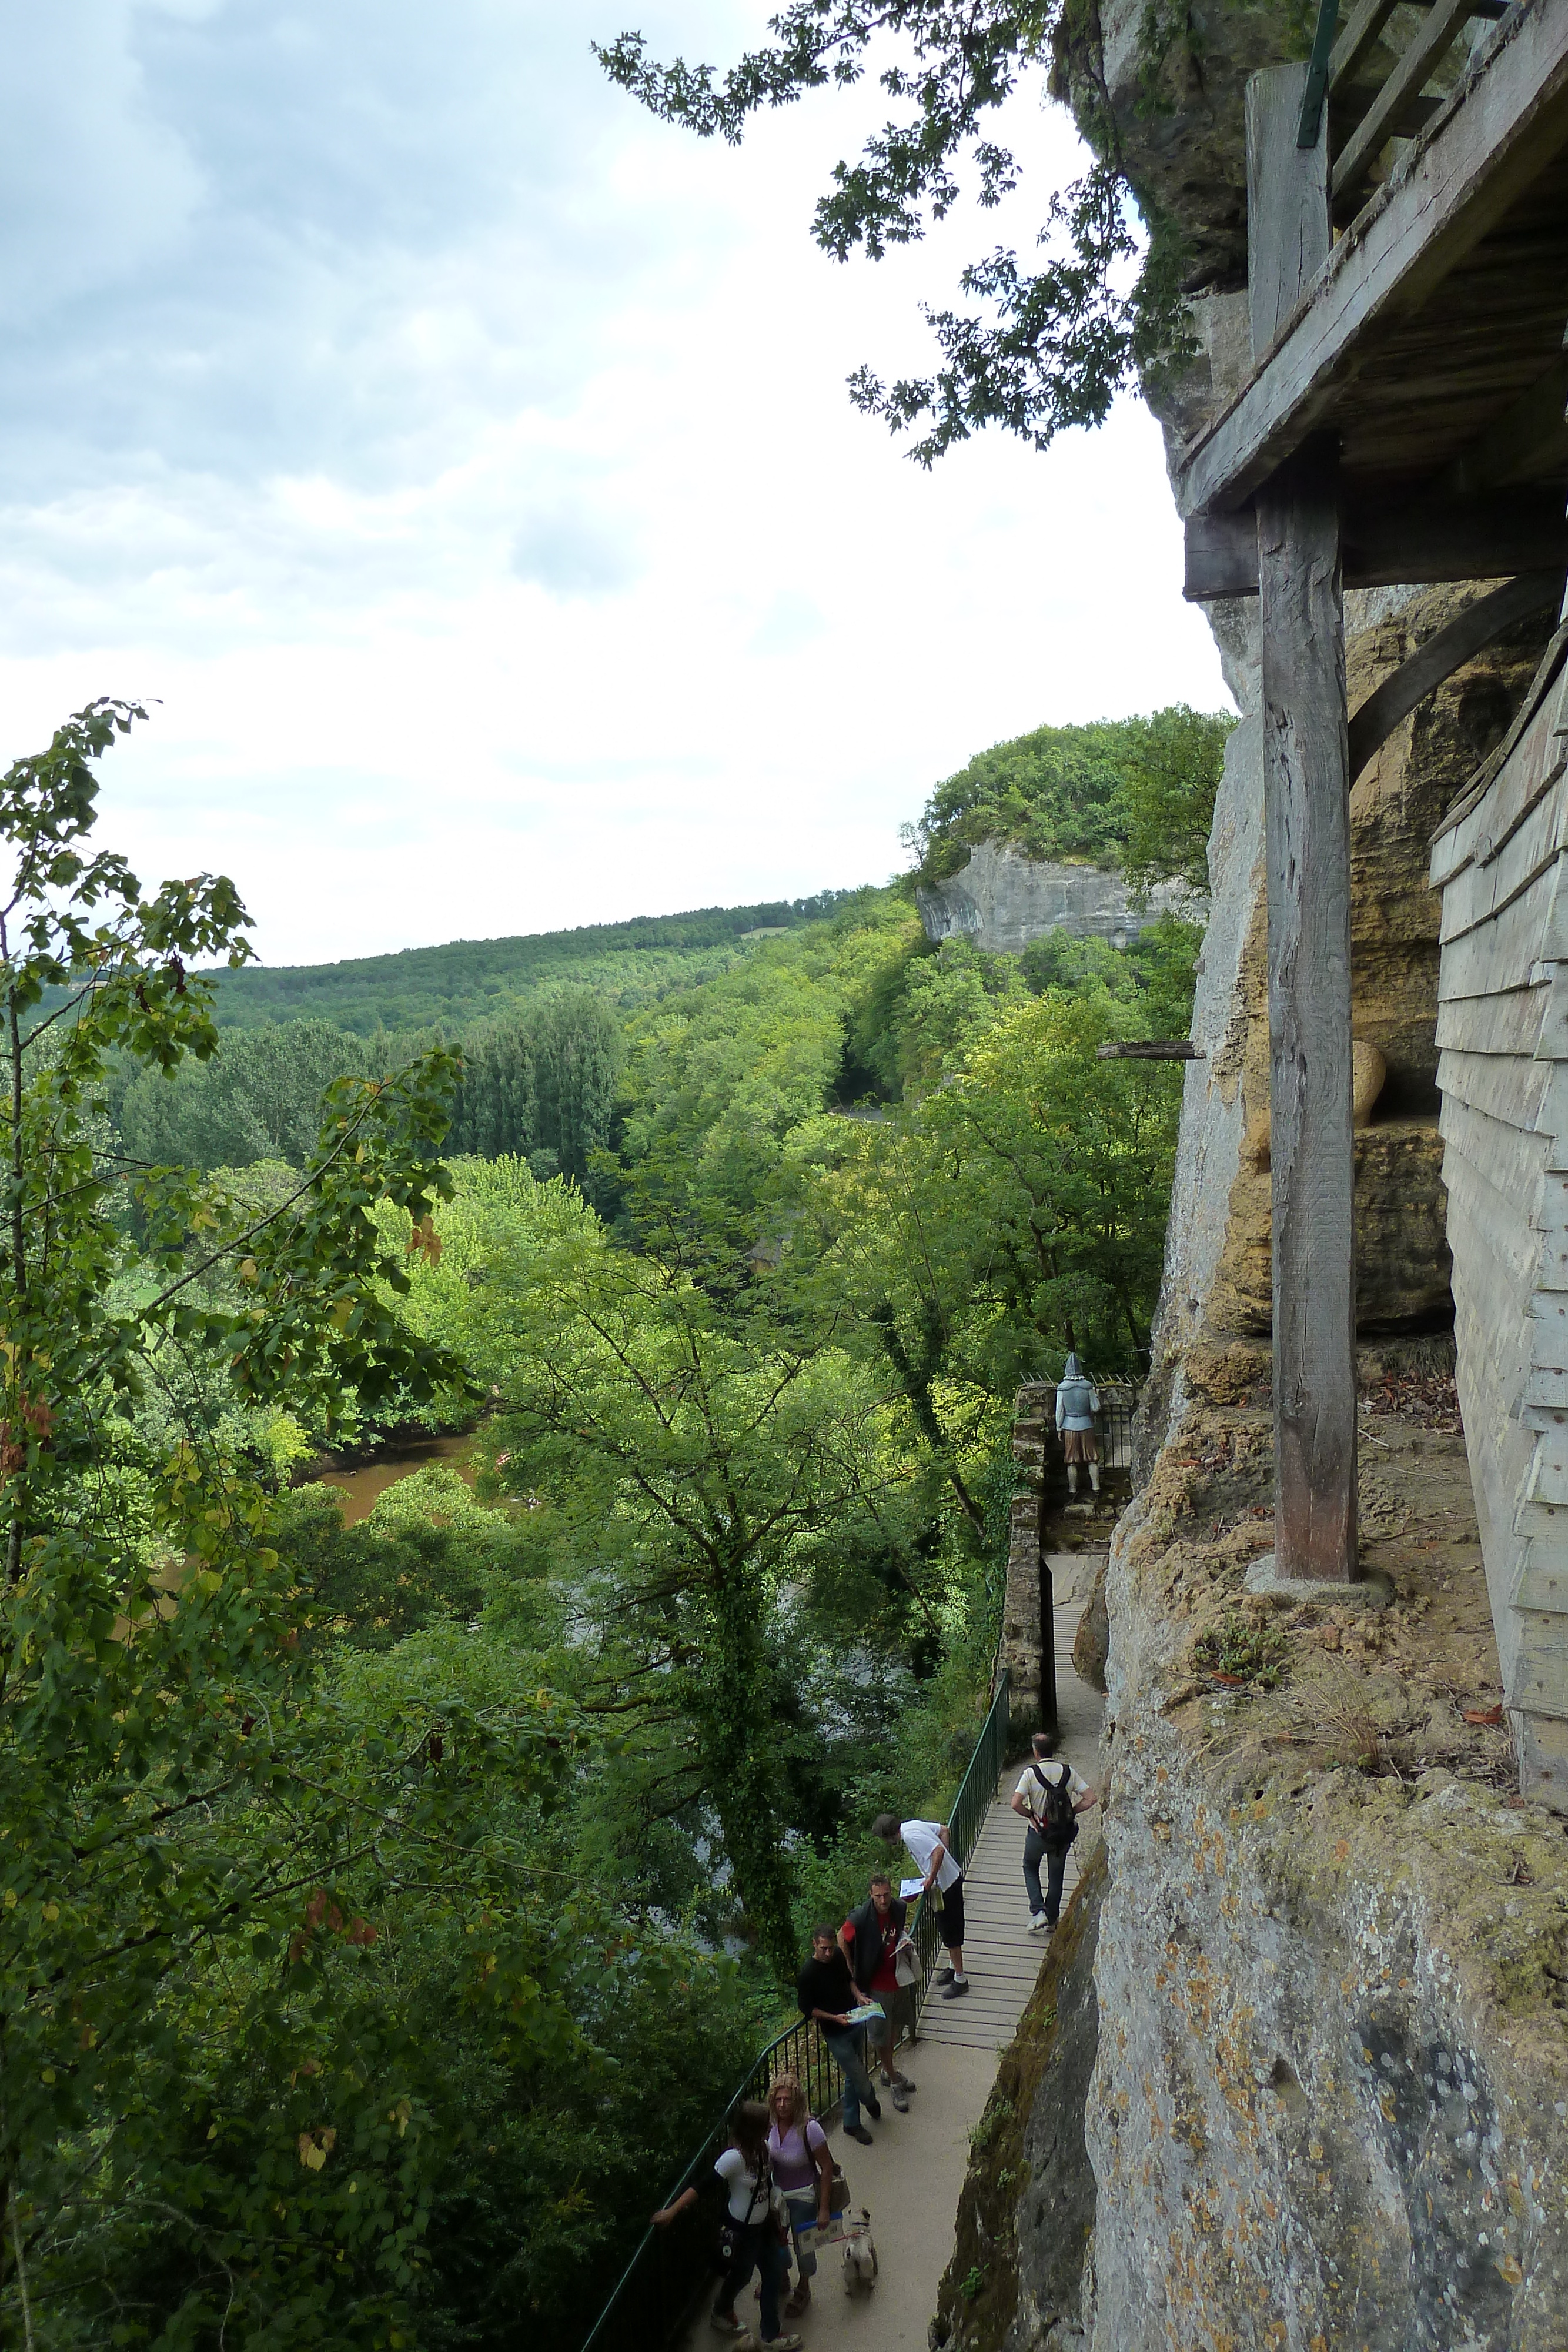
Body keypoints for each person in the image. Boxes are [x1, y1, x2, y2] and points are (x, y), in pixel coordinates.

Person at [650, 2099, 801, 2348]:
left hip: (763, 2227)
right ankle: (721, 2310)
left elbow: (765, 2185)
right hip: (742, 2231)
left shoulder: (762, 2149)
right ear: (752, 2128)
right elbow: (702, 2186)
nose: (770, 2127)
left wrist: (775, 2219)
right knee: (741, 2276)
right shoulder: (734, 2158)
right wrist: (672, 2212)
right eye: (765, 2124)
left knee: (773, 2274)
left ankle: (769, 2335)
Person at [796, 1922, 882, 2144]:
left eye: (830, 1947)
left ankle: (851, 2122)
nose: (827, 1952)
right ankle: (870, 2099)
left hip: (853, 2020)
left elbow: (848, 1979)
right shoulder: (808, 1973)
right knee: (859, 2075)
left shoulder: (836, 1957)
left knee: (853, 2077)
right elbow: (808, 2009)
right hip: (836, 2032)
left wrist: (859, 1997)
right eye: (823, 1948)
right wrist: (835, 2018)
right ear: (814, 1944)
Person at [840, 1875, 917, 2109]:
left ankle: (887, 2070)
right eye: (878, 1896)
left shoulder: (898, 1908)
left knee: (895, 2028)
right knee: (882, 2036)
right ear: (871, 1896)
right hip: (876, 1985)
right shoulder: (862, 1917)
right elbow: (842, 1937)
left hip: (898, 1978)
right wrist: (850, 1968)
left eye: (886, 1894)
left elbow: (897, 1931)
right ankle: (893, 2079)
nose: (883, 1900)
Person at [873, 1812, 968, 2000]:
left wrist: (932, 1878)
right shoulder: (911, 1825)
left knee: (951, 1933)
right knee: (946, 1929)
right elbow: (944, 1831)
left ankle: (961, 1979)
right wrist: (941, 1867)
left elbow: (938, 1852)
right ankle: (952, 1967)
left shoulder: (910, 1836)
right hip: (946, 1883)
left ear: (888, 1835)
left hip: (946, 1887)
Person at [1010, 1728, 1096, 1933]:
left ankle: (1038, 1911)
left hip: (1040, 1833)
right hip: (1063, 1835)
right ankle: (1052, 1918)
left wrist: (1031, 1815)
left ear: (1036, 1752)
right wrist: (1071, 1813)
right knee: (1056, 1876)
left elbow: (1015, 1804)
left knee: (1030, 1867)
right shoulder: (1068, 1771)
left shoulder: (1031, 1774)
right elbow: (1091, 1798)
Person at [765, 2072, 833, 2320]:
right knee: (776, 2241)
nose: (782, 2105)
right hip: (778, 2194)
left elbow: (826, 2167)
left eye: (788, 2100)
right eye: (778, 2100)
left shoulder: (809, 2128)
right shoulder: (771, 2125)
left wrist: (823, 2208)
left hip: (803, 2195)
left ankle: (803, 2287)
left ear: (798, 2101)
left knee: (804, 2246)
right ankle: (782, 2277)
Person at [1055, 1351, 1102, 1496]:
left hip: (1069, 1426)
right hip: (1086, 1424)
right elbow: (1096, 1407)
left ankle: (1073, 1489)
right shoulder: (1088, 1386)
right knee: (1092, 1458)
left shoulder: (1062, 1388)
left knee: (1071, 1460)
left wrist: (1059, 1427)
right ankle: (1096, 1488)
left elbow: (1060, 1411)